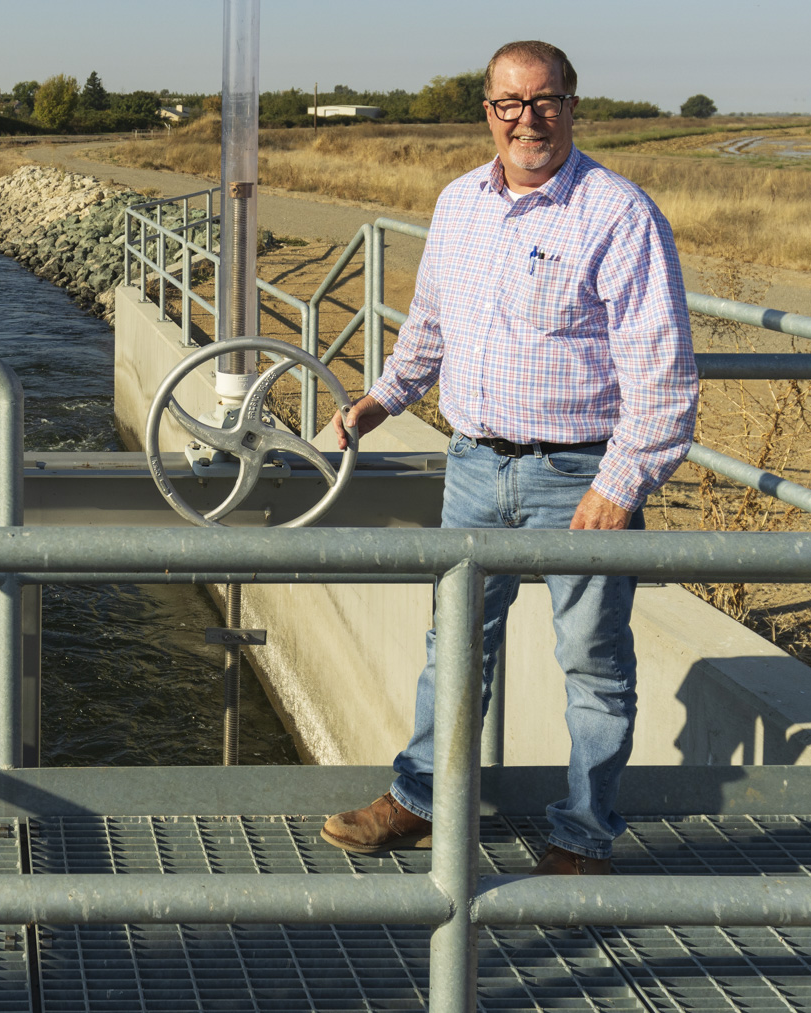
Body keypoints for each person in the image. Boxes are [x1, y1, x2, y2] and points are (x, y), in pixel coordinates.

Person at [319, 40, 698, 875]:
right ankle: (419, 802)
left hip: (580, 475)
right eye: (509, 103)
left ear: (572, 102)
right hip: (473, 464)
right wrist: (380, 402)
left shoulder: (618, 214)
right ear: (487, 110)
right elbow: (427, 329)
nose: (528, 118)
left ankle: (582, 837)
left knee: (593, 662)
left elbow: (664, 381)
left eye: (545, 100)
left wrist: (618, 487)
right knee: (453, 645)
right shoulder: (459, 203)